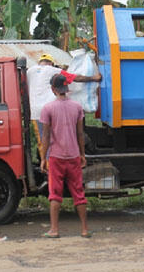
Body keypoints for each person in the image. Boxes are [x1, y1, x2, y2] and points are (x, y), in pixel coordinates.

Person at [40, 74, 90, 238]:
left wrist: (43, 158)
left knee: (55, 193)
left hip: (56, 157)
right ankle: (84, 229)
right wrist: (82, 154)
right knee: (78, 192)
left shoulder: (48, 109)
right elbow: (80, 134)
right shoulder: (77, 107)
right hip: (74, 156)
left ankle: (54, 230)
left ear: (53, 89)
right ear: (67, 88)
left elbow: (46, 137)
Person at [27, 53, 101, 143]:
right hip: (52, 109)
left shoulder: (29, 71)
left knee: (44, 138)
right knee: (59, 136)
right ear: (51, 63)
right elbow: (75, 78)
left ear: (39, 62)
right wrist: (94, 78)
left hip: (35, 111)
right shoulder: (54, 70)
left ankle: (46, 156)